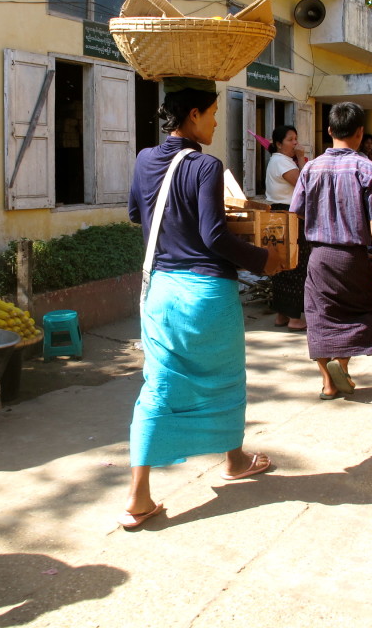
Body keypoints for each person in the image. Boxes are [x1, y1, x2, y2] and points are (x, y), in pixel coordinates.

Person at [121, 78, 278, 530]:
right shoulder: (206, 167)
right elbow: (214, 237)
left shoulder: (143, 159)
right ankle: (233, 459)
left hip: (161, 292)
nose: (213, 123)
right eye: (212, 114)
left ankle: (138, 496)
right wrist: (263, 260)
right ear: (194, 115)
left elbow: (137, 214)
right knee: (225, 380)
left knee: (158, 387)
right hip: (206, 294)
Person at [290, 102, 372, 400]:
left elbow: (296, 211)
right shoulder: (367, 168)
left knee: (320, 315)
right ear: (360, 133)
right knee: (356, 313)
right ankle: (343, 366)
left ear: (330, 131)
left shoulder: (310, 168)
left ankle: (327, 382)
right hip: (353, 257)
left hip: (320, 256)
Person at [264, 124, 309, 330]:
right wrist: (300, 160)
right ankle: (294, 318)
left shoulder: (278, 160)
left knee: (281, 265)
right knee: (295, 264)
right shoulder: (282, 161)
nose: (295, 143)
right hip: (288, 215)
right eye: (290, 139)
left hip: (279, 215)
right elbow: (303, 184)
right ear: (279, 144)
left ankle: (281, 315)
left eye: (295, 138)